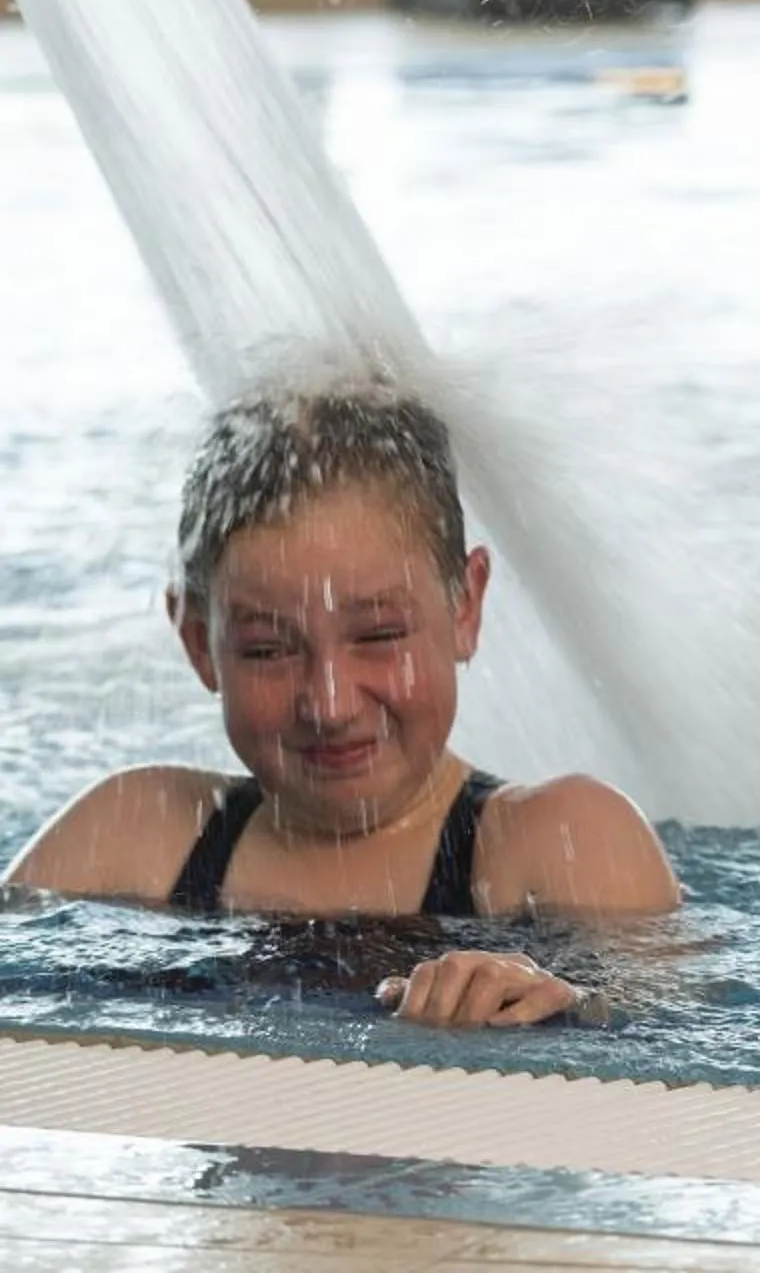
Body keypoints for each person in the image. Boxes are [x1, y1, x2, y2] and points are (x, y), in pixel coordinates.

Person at [4, 380, 681, 1029]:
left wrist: (568, 1005)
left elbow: (671, 1021)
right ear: (198, 643)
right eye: (269, 649)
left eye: (380, 635)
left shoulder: (556, 845)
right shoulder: (137, 838)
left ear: (465, 606)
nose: (328, 704)